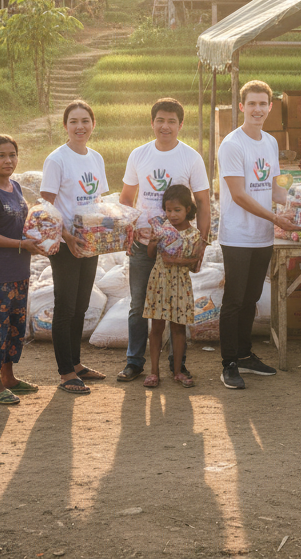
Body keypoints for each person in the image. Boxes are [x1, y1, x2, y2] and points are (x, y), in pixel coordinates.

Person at [118, 98, 211, 383]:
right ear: (152, 122)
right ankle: (135, 362)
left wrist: (201, 244)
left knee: (176, 307)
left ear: (180, 125)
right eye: (160, 120)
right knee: (138, 305)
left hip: (178, 248)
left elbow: (203, 203)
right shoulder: (139, 155)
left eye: (172, 121)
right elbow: (126, 198)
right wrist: (130, 232)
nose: (165, 126)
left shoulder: (191, 157)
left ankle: (177, 365)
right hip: (144, 243)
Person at [216, 80, 297, 390]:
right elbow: (238, 194)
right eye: (252, 103)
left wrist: (300, 203)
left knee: (250, 299)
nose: (257, 109)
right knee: (234, 300)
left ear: (270, 107)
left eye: (263, 104)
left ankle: (244, 354)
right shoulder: (232, 144)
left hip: (263, 235)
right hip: (237, 235)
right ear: (242, 107)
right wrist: (276, 217)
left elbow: (274, 189)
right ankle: (229, 363)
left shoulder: (270, 142)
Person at [40, 100, 109, 395]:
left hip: (90, 241)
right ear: (65, 126)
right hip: (66, 244)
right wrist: (67, 236)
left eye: (85, 121)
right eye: (73, 121)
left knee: (81, 304)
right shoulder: (57, 160)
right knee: (66, 306)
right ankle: (65, 372)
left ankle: (77, 364)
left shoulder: (96, 158)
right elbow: (45, 208)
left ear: (93, 124)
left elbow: (98, 202)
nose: (80, 127)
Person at [0, 135, 49, 405]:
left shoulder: (14, 186)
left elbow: (22, 225)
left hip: (20, 270)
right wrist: (21, 244)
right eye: (1, 156)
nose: (8, 160)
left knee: (14, 328)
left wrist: (41, 236)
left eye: (12, 155)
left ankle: (9, 378)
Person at [142, 184, 204, 389]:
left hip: (181, 284)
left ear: (188, 209)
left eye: (177, 210)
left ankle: (178, 371)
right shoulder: (161, 229)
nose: (172, 215)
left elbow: (195, 265)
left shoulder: (194, 235)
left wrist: (177, 261)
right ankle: (153, 372)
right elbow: (151, 254)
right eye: (168, 210)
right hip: (159, 282)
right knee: (157, 327)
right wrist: (153, 242)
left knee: (178, 328)